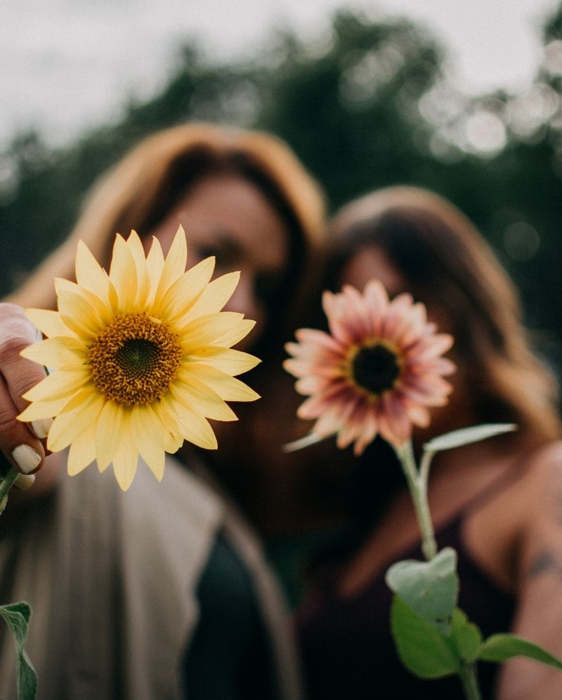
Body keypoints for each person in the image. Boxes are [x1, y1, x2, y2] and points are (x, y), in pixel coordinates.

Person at [0, 122, 325, 699]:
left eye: (269, 288)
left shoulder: (209, 476)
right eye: (215, 254)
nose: (244, 303)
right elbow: (33, 454)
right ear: (125, 236)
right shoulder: (49, 406)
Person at [296, 186, 562, 699]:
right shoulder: (362, 522)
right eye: (342, 325)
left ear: (465, 309)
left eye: (402, 304)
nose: (377, 339)